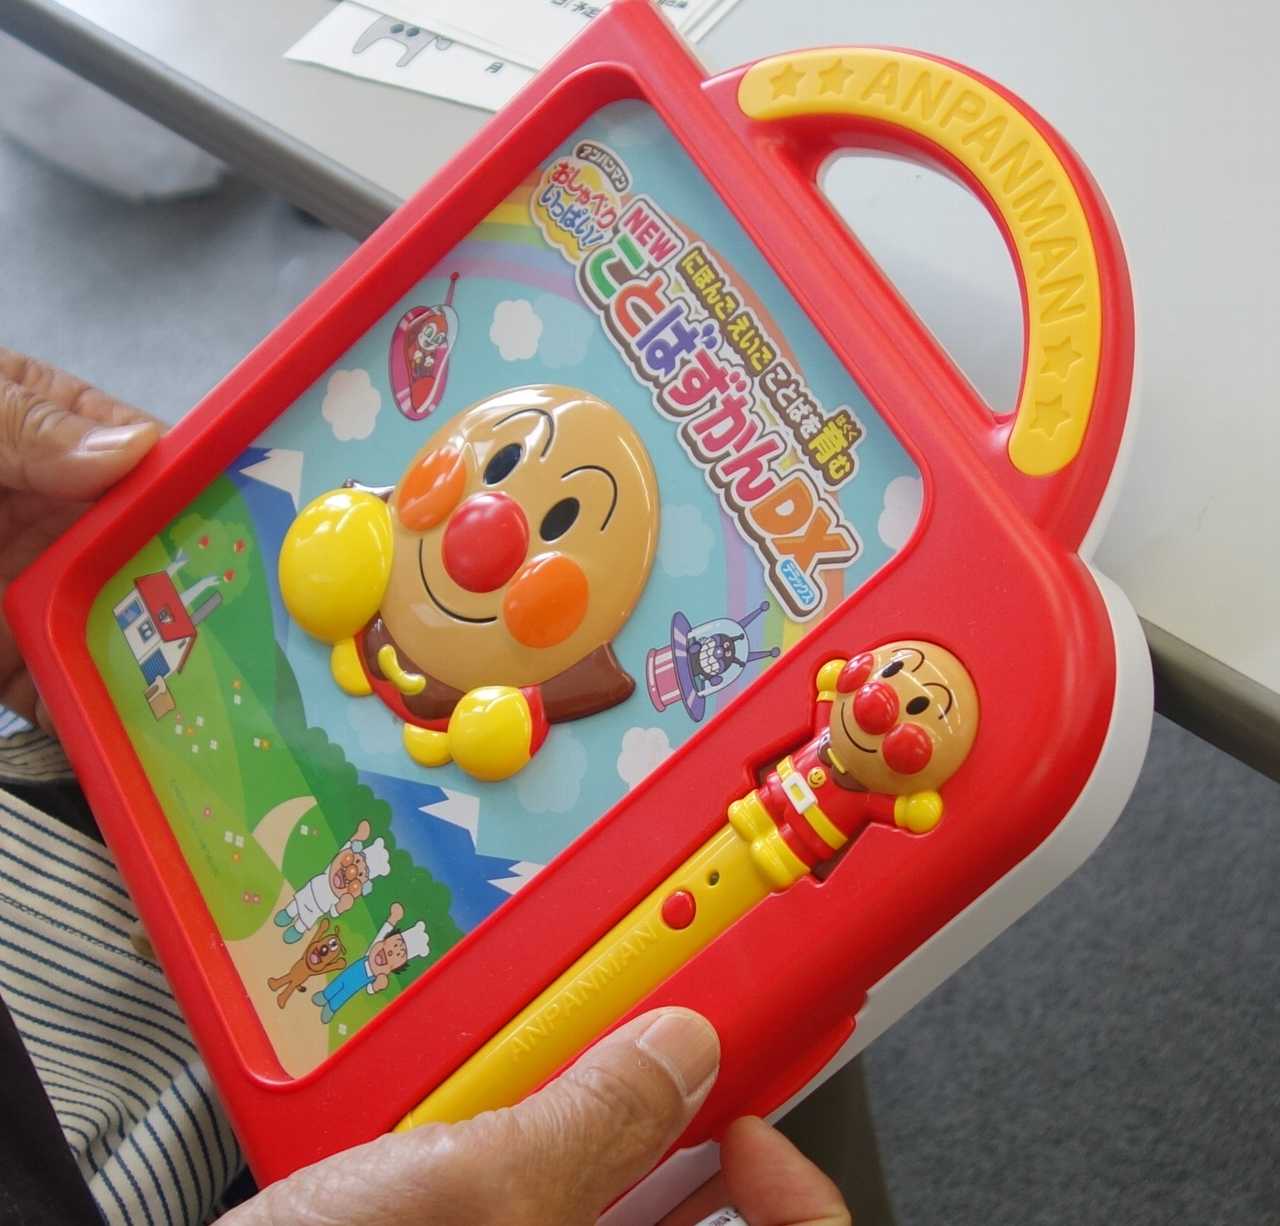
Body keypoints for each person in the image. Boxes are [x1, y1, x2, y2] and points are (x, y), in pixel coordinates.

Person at [0, 347, 854, 1225]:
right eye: (505, 474)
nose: (489, 531)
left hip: (72, 815)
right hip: (223, 1138)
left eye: (558, 518)